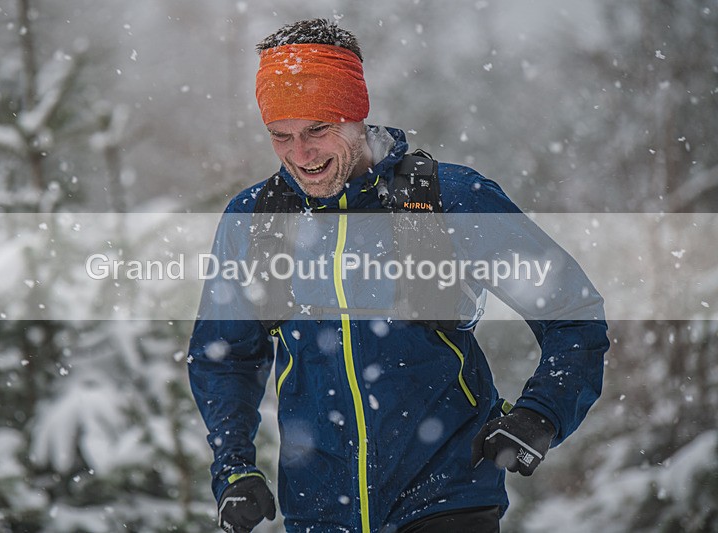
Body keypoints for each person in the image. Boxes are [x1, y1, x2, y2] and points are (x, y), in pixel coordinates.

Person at [187, 18, 609, 533]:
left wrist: (541, 414)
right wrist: (234, 469)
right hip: (318, 512)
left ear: (356, 114)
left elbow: (572, 311)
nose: (301, 155)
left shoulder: (450, 200)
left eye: (318, 129)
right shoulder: (256, 220)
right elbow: (224, 357)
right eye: (282, 136)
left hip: (446, 502)